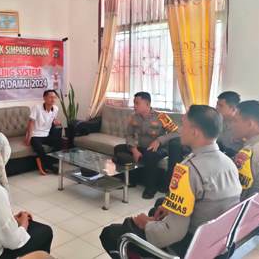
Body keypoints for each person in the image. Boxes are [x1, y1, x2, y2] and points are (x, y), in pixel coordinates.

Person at [101, 105, 242, 258]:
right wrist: (169, 208)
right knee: (157, 210)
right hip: (216, 242)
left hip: (188, 246)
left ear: (195, 132)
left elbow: (172, 233)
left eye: (184, 125)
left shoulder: (187, 171)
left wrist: (145, 224)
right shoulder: (229, 163)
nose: (180, 129)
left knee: (110, 233)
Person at [114, 92, 180, 199]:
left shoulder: (162, 117)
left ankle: (151, 188)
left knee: (150, 155)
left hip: (159, 148)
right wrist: (134, 149)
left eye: (137, 103)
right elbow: (128, 134)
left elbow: (176, 132)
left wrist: (159, 140)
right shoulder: (134, 117)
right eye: (134, 103)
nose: (134, 106)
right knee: (118, 149)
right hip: (141, 147)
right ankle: (130, 180)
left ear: (147, 104)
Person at [26, 90, 62, 175]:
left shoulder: (56, 108)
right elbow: (31, 122)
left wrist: (55, 121)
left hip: (46, 134)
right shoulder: (37, 107)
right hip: (35, 134)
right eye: (50, 97)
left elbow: (52, 119)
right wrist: (28, 137)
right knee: (39, 148)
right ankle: (49, 166)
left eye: (54, 97)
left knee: (59, 143)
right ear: (44, 98)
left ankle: (48, 163)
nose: (52, 99)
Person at [216, 91, 243, 157]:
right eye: (217, 104)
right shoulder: (218, 120)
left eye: (221, 106)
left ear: (233, 109)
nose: (216, 107)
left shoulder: (242, 126)